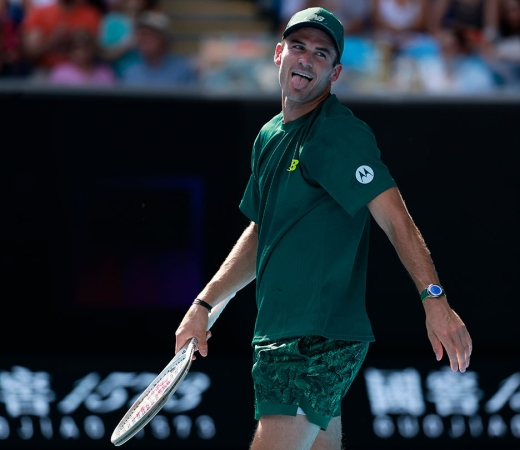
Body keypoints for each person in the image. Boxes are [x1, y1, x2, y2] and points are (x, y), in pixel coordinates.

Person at [175, 7, 472, 450]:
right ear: (279, 54)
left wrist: (435, 300)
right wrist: (205, 303)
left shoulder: (338, 134)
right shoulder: (269, 136)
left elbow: (396, 218)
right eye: (299, 47)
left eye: (321, 54)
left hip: (316, 339)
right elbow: (263, 231)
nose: (307, 59)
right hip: (279, 333)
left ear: (335, 73)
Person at [21, 0, 101, 72]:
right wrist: (52, 41)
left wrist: (77, 41)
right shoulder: (39, 14)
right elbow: (31, 52)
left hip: (81, 73)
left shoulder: (90, 15)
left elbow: (97, 50)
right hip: (45, 70)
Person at [121, 11, 197, 87]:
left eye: (151, 34)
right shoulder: (130, 73)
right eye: (142, 34)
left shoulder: (183, 70)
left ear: (164, 39)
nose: (145, 39)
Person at [49, 27, 115, 86]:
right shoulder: (60, 73)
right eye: (77, 48)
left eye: (86, 47)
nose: (82, 52)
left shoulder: (105, 72)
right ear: (70, 52)